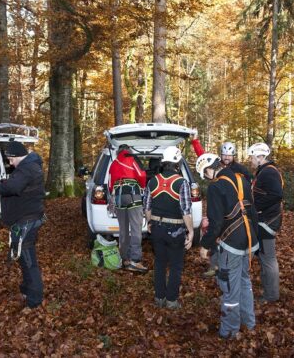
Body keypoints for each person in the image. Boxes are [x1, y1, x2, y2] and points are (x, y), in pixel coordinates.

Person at [197, 153, 259, 340]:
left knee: (230, 285)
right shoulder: (241, 179)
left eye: (204, 174)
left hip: (232, 243)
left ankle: (230, 330)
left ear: (209, 169)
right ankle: (249, 322)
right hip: (249, 239)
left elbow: (216, 223)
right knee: (244, 282)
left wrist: (205, 245)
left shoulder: (216, 187)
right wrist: (255, 241)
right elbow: (252, 211)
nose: (206, 178)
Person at [0, 141, 46, 308]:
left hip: (27, 221)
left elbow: (13, 187)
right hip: (25, 219)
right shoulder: (28, 167)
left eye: (10, 159)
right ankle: (27, 290)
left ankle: (34, 300)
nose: (10, 163)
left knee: (28, 260)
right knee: (23, 257)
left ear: (16, 156)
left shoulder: (27, 169)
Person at [143, 146, 194, 309]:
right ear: (177, 162)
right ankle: (171, 301)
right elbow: (185, 211)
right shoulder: (181, 182)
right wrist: (191, 231)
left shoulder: (152, 181)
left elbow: (147, 207)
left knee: (159, 263)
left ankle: (159, 298)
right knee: (176, 265)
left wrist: (149, 223)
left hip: (156, 228)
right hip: (175, 230)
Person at [248, 142, 284, 303]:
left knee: (268, 258)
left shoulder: (269, 172)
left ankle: (271, 295)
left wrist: (256, 208)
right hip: (264, 220)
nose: (250, 160)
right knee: (263, 256)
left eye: (251, 157)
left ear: (260, 156)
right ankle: (268, 291)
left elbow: (277, 195)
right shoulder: (263, 171)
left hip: (268, 221)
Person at [108, 144, 148, 272]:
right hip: (132, 195)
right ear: (129, 150)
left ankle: (124, 258)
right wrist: (141, 187)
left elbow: (110, 184)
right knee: (136, 228)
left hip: (119, 197)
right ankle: (135, 260)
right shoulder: (132, 158)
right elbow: (141, 175)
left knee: (123, 229)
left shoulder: (114, 163)